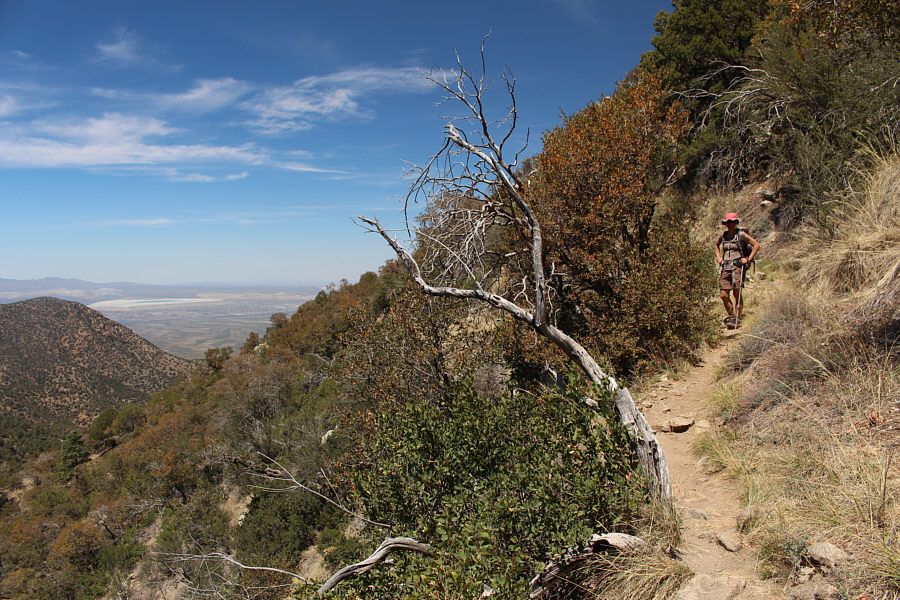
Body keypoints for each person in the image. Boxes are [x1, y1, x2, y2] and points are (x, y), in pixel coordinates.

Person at [715, 212, 759, 329]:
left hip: (738, 267)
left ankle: (736, 319)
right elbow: (716, 245)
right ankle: (732, 315)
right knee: (723, 294)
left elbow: (756, 245)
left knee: (736, 293)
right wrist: (719, 258)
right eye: (728, 222)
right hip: (725, 267)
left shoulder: (741, 235)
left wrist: (748, 259)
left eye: (732, 222)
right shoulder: (723, 236)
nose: (730, 224)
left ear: (735, 223)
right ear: (726, 223)